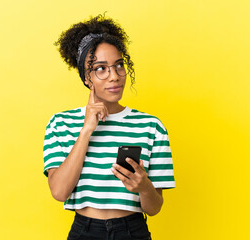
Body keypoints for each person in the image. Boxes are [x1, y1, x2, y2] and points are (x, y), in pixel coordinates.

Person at [43, 13, 175, 240]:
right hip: (84, 231)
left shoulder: (151, 126)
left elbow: (154, 208)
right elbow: (59, 191)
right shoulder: (60, 123)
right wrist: (85, 131)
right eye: (101, 68)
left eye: (119, 66)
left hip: (132, 231)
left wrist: (144, 186)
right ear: (86, 77)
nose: (114, 76)